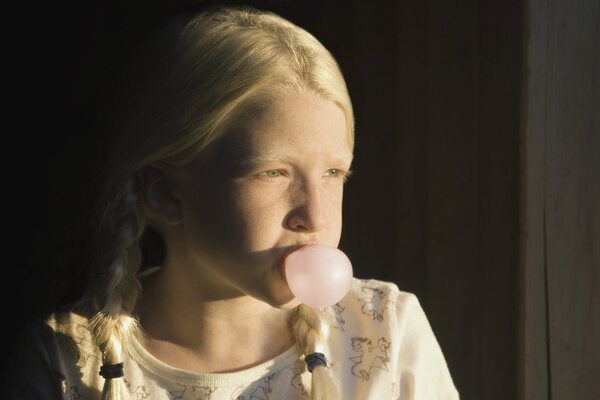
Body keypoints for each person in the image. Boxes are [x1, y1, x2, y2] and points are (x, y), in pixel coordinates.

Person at [3, 4, 459, 399]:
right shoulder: (62, 362)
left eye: (334, 173)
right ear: (165, 192)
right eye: (273, 173)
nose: (315, 216)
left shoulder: (386, 332)